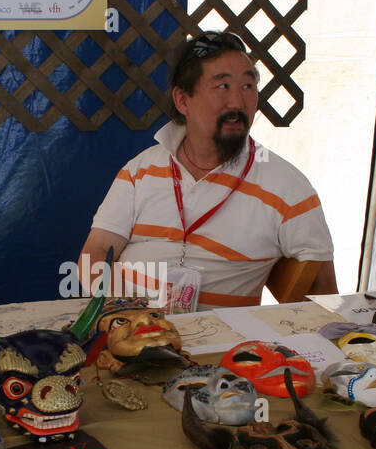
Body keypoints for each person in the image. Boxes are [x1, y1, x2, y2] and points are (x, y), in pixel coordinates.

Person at [79, 32, 337, 309]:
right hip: (126, 320)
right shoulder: (140, 170)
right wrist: (129, 313)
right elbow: (95, 254)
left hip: (219, 333)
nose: (237, 102)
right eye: (222, 86)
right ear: (183, 100)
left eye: (248, 86)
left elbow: (323, 298)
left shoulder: (288, 187)